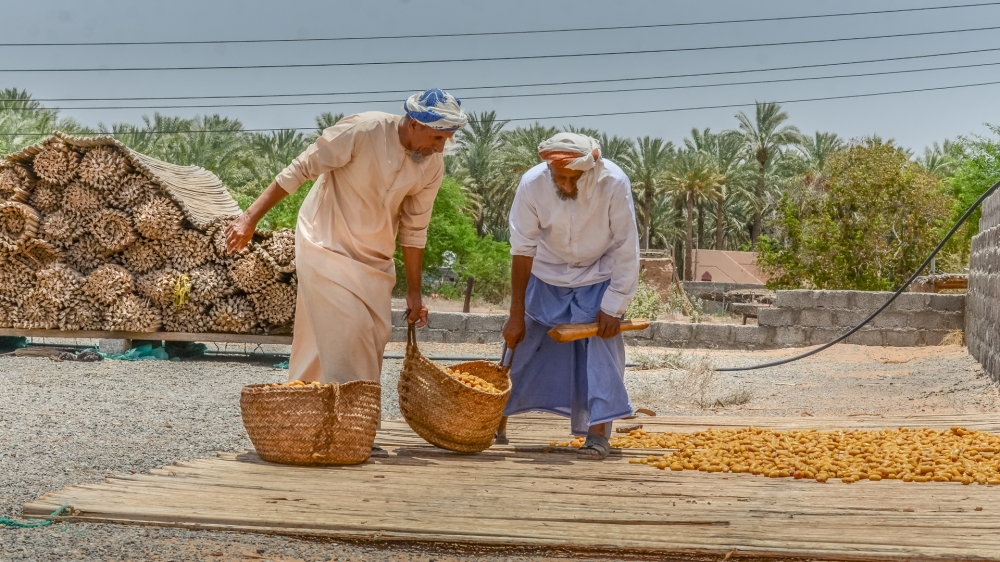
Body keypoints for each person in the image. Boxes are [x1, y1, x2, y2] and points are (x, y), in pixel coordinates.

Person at [225, 89, 468, 457]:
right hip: (325, 242)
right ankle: (352, 430)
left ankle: (311, 425)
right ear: (415, 124)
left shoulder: (432, 164)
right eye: (437, 137)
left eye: (446, 140)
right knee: (349, 331)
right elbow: (299, 170)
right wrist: (248, 218)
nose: (439, 147)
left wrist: (414, 294)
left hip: (374, 258)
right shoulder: (363, 130)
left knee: (366, 336)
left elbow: (415, 229)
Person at [497, 132, 640, 460]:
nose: (563, 185)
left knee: (602, 349)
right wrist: (516, 313)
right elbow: (522, 249)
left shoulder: (615, 183)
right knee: (517, 345)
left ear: (590, 172)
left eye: (571, 179)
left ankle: (598, 434)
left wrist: (615, 304)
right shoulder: (532, 184)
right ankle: (494, 420)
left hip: (598, 275)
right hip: (546, 274)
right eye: (557, 177)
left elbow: (625, 246)